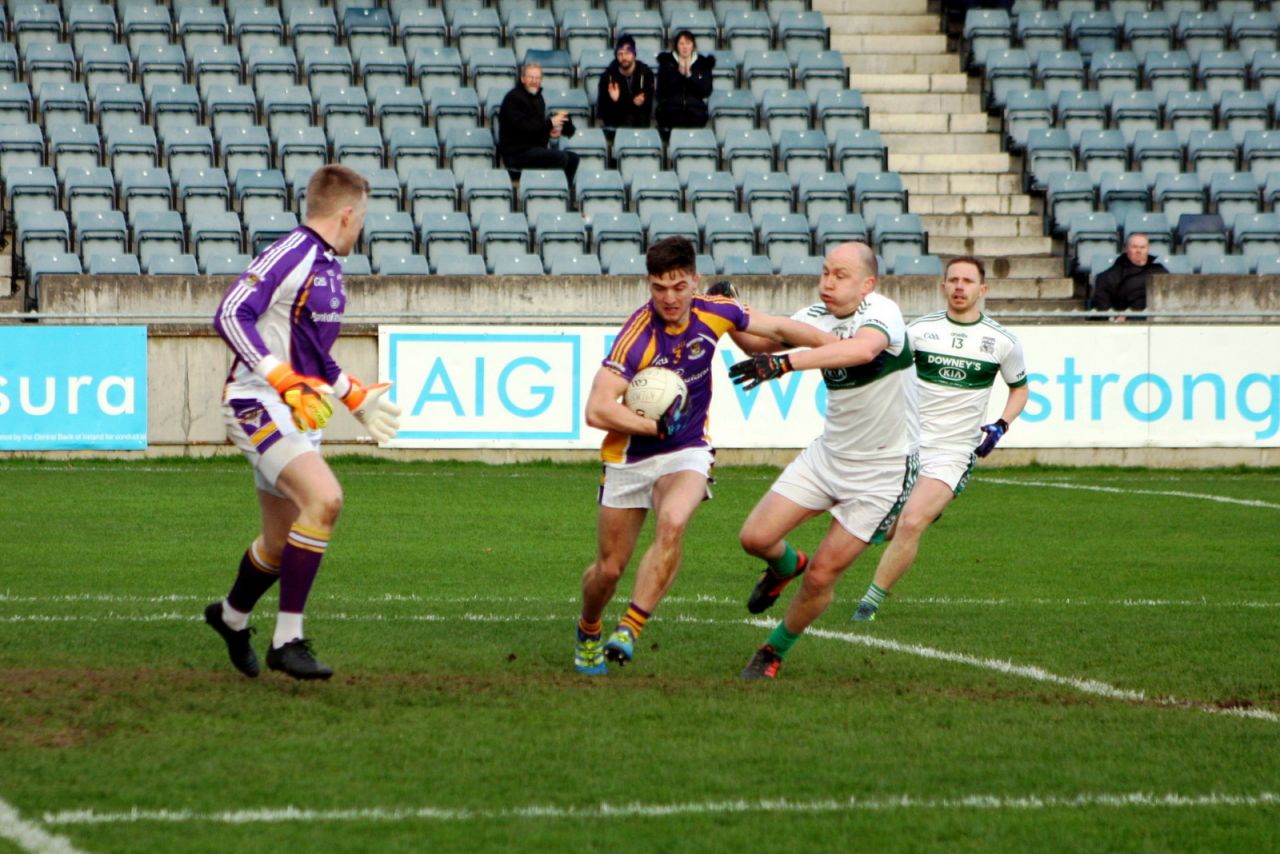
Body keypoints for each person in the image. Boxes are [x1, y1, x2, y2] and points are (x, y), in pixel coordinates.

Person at [574, 236, 835, 676]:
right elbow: (597, 409)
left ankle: (630, 628)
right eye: (659, 288)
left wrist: (836, 346)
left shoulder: (714, 310)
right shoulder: (635, 338)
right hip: (630, 457)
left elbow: (774, 331)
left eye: (679, 286)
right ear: (649, 285)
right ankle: (589, 628)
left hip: (687, 449)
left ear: (695, 281)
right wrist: (651, 425)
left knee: (673, 521)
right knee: (609, 569)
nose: (670, 298)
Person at [205, 164, 401, 681]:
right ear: (346, 213)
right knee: (325, 500)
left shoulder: (330, 267)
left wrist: (353, 395)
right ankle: (287, 639)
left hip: (295, 408)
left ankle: (230, 617)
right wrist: (281, 377)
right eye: (362, 218)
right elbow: (229, 314)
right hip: (256, 402)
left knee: (277, 543)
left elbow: (314, 356)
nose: (362, 227)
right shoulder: (292, 253)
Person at [727, 242, 916, 680]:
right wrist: (729, 314)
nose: (828, 282)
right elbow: (761, 341)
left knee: (823, 577)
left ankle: (773, 651)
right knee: (755, 537)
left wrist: (785, 363)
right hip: (828, 456)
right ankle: (786, 565)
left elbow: (860, 352)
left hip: (882, 473)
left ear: (867, 284)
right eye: (825, 272)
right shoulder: (814, 316)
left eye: (841, 275)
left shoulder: (882, 312)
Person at [848, 255, 1028, 622]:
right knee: (881, 527)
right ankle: (923, 509)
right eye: (953, 280)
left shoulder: (1002, 341)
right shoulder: (918, 331)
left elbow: (1020, 390)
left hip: (953, 451)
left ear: (983, 289)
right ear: (942, 286)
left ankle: (869, 603)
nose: (960, 287)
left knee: (913, 522)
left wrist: (1000, 425)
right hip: (906, 443)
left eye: (968, 280)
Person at [498, 62, 579, 182]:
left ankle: (564, 192)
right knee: (560, 157)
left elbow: (537, 129)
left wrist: (549, 131)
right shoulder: (513, 98)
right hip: (516, 154)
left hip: (533, 150)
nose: (534, 81)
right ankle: (549, 188)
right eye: (531, 77)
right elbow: (524, 128)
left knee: (573, 158)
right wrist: (549, 124)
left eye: (537, 78)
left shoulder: (538, 98)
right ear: (523, 78)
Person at [1091, 233, 1168, 321]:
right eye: (1134, 247)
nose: (1138, 250)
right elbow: (1102, 298)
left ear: (1147, 249)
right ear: (1127, 249)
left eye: (1142, 247)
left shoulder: (1159, 270)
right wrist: (1114, 316)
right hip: (1127, 321)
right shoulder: (1113, 274)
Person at [655, 29, 714, 135]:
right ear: (676, 45)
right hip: (671, 111)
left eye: (688, 43)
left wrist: (690, 76)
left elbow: (706, 89)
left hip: (695, 111)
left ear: (693, 45)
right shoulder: (667, 63)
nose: (685, 47)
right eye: (681, 43)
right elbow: (662, 90)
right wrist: (679, 75)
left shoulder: (702, 64)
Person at [596, 34, 655, 131]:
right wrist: (630, 102)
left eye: (627, 53)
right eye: (620, 54)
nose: (624, 57)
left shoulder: (646, 74)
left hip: (640, 125)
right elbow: (603, 111)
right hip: (617, 124)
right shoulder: (607, 77)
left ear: (634, 54)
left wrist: (619, 100)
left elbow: (645, 108)